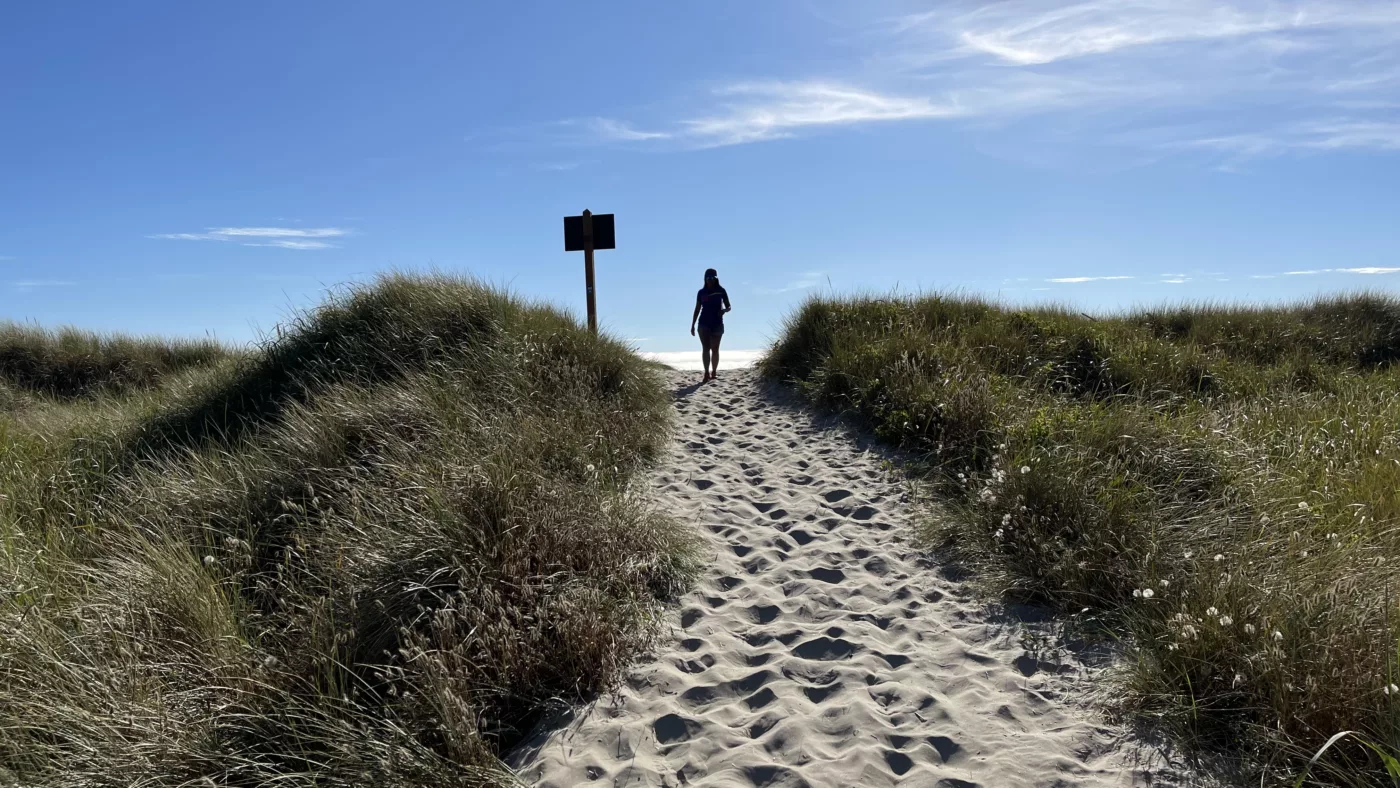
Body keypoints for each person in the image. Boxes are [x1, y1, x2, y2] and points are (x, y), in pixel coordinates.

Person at [690, 268, 731, 381]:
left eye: (712, 278)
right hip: (703, 323)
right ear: (705, 279)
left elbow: (729, 306)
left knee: (715, 349)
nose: (710, 280)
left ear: (716, 278)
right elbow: (697, 309)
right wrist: (692, 324)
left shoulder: (721, 290)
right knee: (706, 348)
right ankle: (706, 373)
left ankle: (714, 372)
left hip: (717, 323)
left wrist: (724, 310)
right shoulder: (701, 292)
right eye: (708, 278)